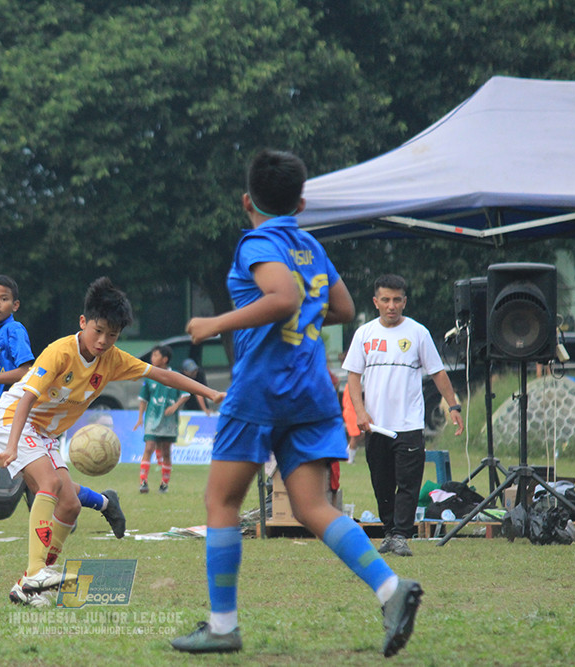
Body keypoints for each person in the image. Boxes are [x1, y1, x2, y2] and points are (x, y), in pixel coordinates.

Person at [172, 148, 421, 658]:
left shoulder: (257, 242)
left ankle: (223, 626)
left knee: (221, 502)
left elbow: (282, 297)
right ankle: (391, 591)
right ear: (302, 202)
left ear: (246, 200)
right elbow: (345, 308)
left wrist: (214, 324)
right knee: (312, 507)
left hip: (263, 388)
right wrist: (302, 321)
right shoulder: (308, 245)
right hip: (310, 390)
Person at [0, 277, 224, 606]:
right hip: (13, 420)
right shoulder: (59, 352)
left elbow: (165, 376)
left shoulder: (113, 359)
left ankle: (30, 586)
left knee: (70, 505)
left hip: (44, 433)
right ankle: (35, 572)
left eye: (112, 335)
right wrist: (12, 445)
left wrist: (209, 391)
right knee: (48, 484)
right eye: (98, 331)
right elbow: (26, 399)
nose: (103, 341)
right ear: (83, 322)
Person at [0, 275, 129, 584]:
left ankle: (41, 567)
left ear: (14, 305)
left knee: (47, 488)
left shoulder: (15, 331)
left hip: (17, 417)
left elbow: (24, 373)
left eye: (3, 299)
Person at [343, 274, 465, 557]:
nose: (391, 305)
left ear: (405, 301)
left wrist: (454, 406)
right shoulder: (364, 334)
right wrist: (360, 413)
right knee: (381, 482)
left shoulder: (418, 333)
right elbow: (353, 377)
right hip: (376, 426)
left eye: (397, 300)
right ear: (376, 302)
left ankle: (400, 534)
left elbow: (437, 372)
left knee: (408, 485)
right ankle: (388, 532)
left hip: (409, 424)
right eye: (385, 300)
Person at [133, 344, 189, 493]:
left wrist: (175, 406)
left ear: (165, 359)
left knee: (166, 451)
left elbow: (185, 394)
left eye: (156, 355)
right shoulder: (150, 377)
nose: (152, 358)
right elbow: (143, 398)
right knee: (149, 447)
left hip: (169, 421)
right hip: (152, 418)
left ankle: (164, 484)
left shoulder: (175, 376)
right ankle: (143, 482)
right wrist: (140, 418)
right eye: (152, 355)